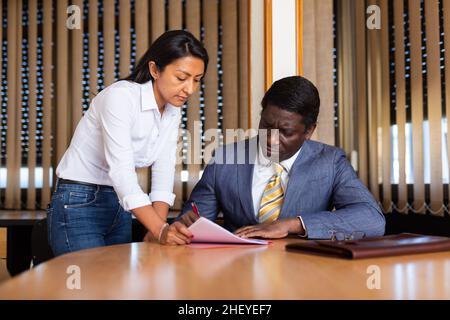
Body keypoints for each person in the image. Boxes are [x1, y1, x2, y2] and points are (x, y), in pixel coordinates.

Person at [48, 30, 208, 256]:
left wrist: (156, 230)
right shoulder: (120, 97)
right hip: (78, 201)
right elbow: (122, 172)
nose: (190, 89)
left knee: (118, 286)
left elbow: (163, 170)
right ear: (154, 70)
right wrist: (160, 229)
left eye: (196, 80)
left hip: (120, 202)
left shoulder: (172, 110)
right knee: (87, 287)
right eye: (182, 78)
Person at [178, 76, 385, 239]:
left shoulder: (330, 162)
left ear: (308, 131)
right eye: (266, 126)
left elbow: (372, 218)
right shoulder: (226, 158)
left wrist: (292, 224)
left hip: (302, 276)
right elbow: (192, 222)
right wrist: (185, 227)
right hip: (237, 273)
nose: (271, 139)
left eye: (285, 132)